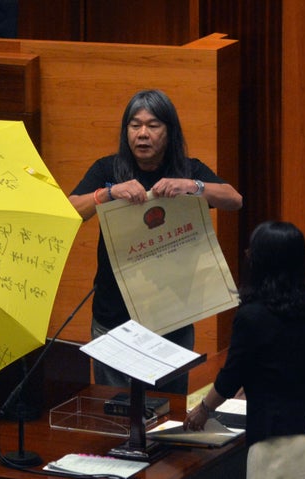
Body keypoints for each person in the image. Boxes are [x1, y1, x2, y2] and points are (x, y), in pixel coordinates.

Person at [68, 89, 242, 394]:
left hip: (171, 312)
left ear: (169, 131)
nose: (143, 134)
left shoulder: (187, 170)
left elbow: (234, 200)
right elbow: (70, 210)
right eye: (135, 126)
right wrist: (107, 194)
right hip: (114, 312)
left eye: (153, 125)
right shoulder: (107, 169)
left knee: (167, 410)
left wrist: (193, 186)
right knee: (116, 410)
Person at [183, 221, 305, 478]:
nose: (246, 254)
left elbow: (231, 377)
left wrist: (203, 410)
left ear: (263, 262)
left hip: (279, 440)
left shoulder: (251, 316)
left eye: (252, 250)